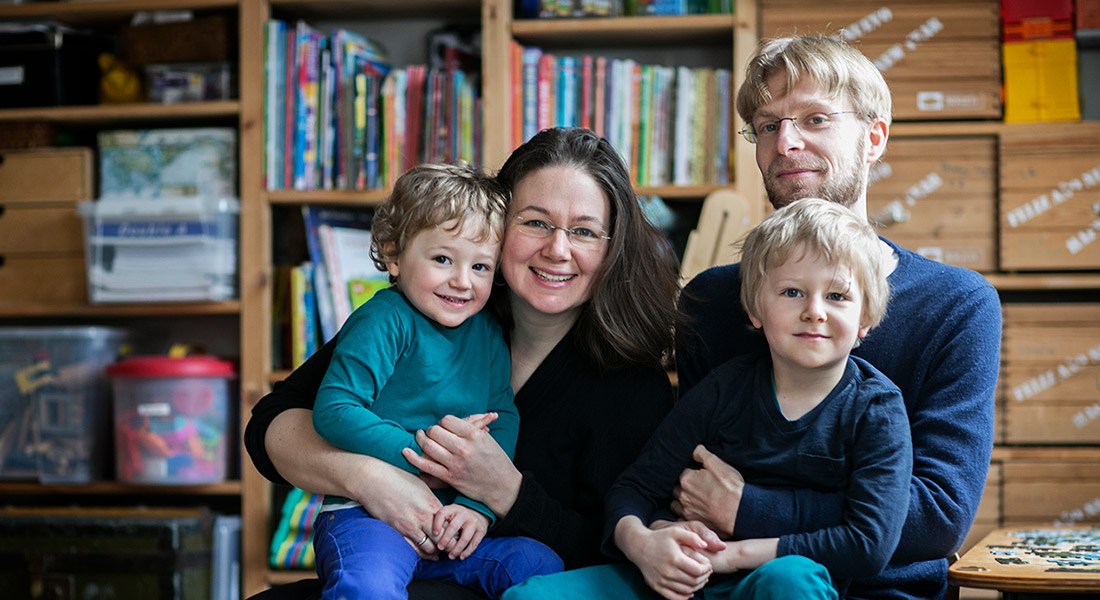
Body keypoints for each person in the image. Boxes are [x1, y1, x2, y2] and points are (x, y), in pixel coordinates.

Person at [243, 127, 682, 600]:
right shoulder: (431, 309)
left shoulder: (634, 385)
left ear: (611, 249)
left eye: (584, 231)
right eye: (534, 222)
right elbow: (271, 425)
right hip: (381, 557)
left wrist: (504, 493)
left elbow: (614, 560)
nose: (558, 249)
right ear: (496, 225)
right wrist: (370, 477)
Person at [672, 36, 1002, 600]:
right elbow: (688, 484)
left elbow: (938, 515)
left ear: (873, 138)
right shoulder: (710, 301)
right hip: (724, 586)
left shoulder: (957, 304)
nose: (786, 142)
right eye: (768, 125)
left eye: (815, 119)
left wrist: (750, 507)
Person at [503, 198, 912, 600]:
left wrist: (734, 556)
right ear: (756, 310)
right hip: (684, 575)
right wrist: (643, 544)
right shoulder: (724, 388)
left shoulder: (876, 410)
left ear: (866, 319)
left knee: (789, 581)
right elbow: (634, 489)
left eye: (837, 297)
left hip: (774, 578)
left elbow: (868, 542)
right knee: (530, 595)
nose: (814, 311)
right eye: (792, 292)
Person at [309, 163, 563, 599]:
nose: (462, 282)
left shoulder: (487, 333)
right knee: (368, 587)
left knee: (539, 565)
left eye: (481, 267)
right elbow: (335, 409)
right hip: (368, 517)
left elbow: (502, 418)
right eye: (443, 259)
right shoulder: (384, 319)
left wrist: (476, 508)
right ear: (393, 252)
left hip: (448, 527)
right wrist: (423, 459)